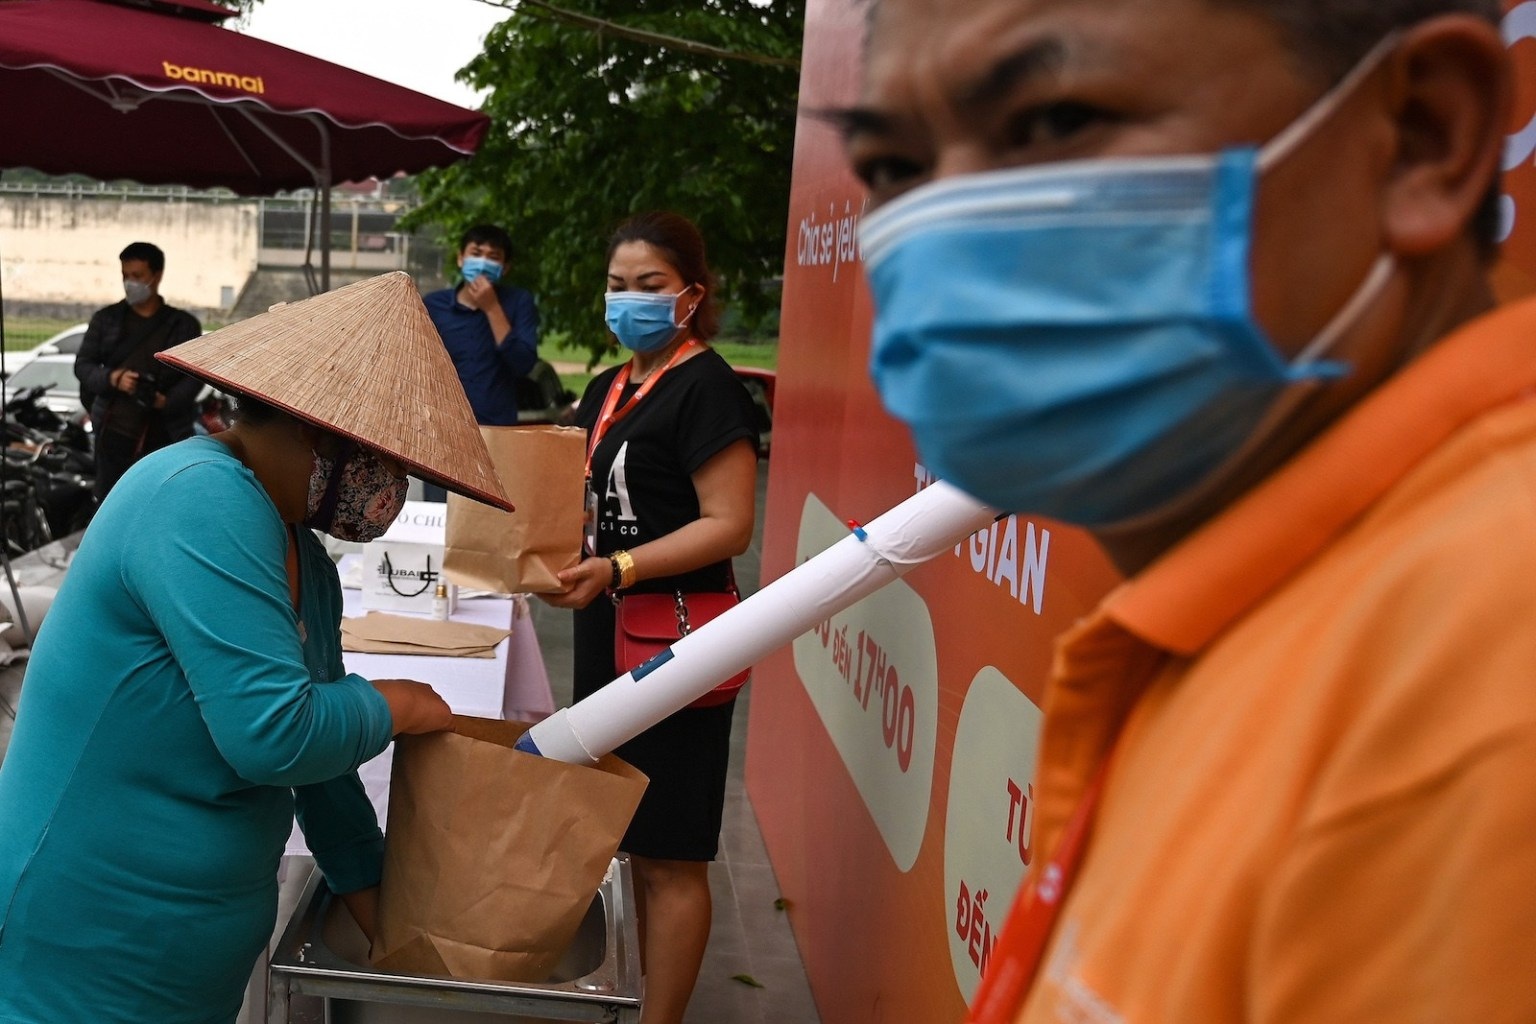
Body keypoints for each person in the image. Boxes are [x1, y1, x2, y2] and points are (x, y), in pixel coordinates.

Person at [846, 1, 1536, 1021]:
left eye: (1052, 121)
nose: (944, 234)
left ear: (1422, 139)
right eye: (893, 170)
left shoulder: (1478, 712)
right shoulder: (1275, 614)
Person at [0, 272, 513, 1023]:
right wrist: (396, 704)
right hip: (87, 942)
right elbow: (276, 735)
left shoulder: (298, 547)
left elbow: (326, 775)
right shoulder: (197, 495)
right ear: (312, 426)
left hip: (186, 958)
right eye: (378, 455)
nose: (389, 484)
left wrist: (393, 929)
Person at [541, 212, 759, 1024]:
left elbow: (727, 522)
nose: (627, 301)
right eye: (617, 286)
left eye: (650, 287)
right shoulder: (611, 385)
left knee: (672, 852)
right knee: (628, 831)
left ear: (690, 296)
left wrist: (621, 567)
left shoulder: (708, 389)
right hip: (610, 629)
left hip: (676, 641)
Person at [74, 241, 204, 502]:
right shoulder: (106, 319)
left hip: (165, 435)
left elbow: (194, 377)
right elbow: (83, 365)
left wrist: (166, 401)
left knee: (161, 501)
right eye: (125, 276)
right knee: (112, 501)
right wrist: (114, 379)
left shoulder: (183, 325)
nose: (129, 282)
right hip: (113, 434)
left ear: (156, 276)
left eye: (137, 276)